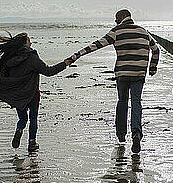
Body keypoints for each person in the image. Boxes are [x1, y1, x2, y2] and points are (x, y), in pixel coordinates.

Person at [65, 9, 159, 153]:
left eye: (116, 18)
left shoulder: (117, 31)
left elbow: (96, 45)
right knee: (136, 102)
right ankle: (136, 134)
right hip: (139, 74)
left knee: (122, 102)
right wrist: (152, 68)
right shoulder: (143, 31)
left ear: (121, 17)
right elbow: (156, 49)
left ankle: (121, 136)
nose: (115, 21)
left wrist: (75, 56)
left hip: (122, 74)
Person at [0, 28, 68, 152]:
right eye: (29, 40)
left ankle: (19, 130)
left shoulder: (8, 59)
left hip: (18, 95)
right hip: (32, 93)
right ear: (24, 43)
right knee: (33, 118)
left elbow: (3, 78)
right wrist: (65, 63)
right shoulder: (32, 58)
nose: (31, 43)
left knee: (23, 119)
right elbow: (48, 71)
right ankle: (32, 143)